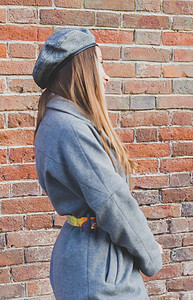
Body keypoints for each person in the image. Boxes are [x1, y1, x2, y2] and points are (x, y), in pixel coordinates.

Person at [33, 28, 162, 299]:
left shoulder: (61, 121)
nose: (106, 75)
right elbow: (113, 203)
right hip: (100, 269)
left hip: (91, 257)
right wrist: (150, 253)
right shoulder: (70, 128)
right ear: (82, 71)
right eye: (99, 63)